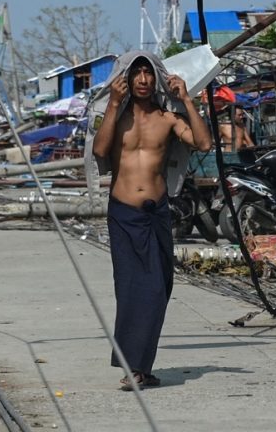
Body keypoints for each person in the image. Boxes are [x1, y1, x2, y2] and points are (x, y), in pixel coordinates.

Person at [92, 51, 212, 391]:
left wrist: (187, 100)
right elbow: (101, 151)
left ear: (156, 78)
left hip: (156, 211)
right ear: (126, 80)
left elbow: (203, 143)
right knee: (131, 290)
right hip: (124, 213)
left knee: (159, 289)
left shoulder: (168, 118)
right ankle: (136, 369)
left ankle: (141, 365)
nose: (143, 79)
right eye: (137, 73)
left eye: (148, 73)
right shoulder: (117, 116)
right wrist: (113, 105)